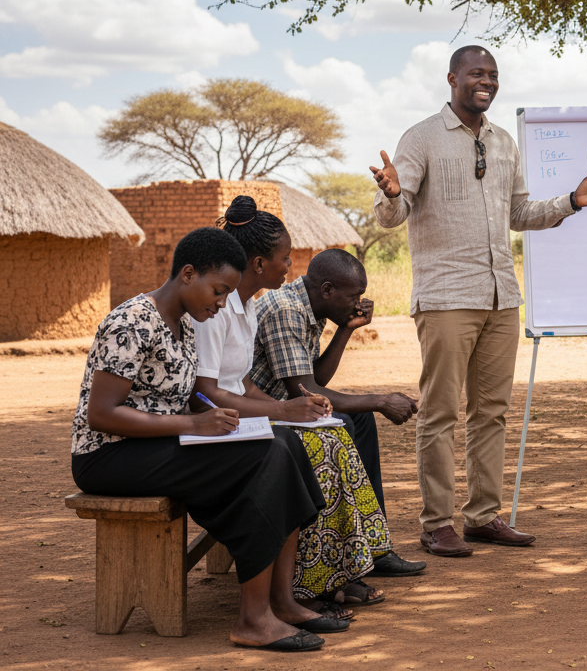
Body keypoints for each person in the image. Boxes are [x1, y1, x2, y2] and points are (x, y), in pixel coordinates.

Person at [371, 45, 587, 557]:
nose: (486, 81)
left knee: (491, 413)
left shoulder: (504, 142)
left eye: (492, 74)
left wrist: (572, 202)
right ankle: (436, 523)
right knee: (441, 413)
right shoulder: (421, 138)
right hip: (447, 297)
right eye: (475, 73)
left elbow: (520, 213)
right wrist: (393, 193)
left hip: (501, 296)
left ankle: (482, 517)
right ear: (452, 79)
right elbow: (390, 216)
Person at [70, 228, 332, 652]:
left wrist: (222, 416)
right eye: (219, 290)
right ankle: (253, 620)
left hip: (158, 445)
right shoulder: (131, 321)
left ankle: (281, 601)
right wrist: (193, 425)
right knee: (266, 458)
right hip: (108, 456)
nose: (222, 302)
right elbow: (101, 415)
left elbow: (190, 395)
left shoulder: (185, 324)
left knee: (284, 444)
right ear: (188, 274)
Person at [193, 197, 420, 614]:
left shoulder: (248, 306)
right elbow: (215, 391)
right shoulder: (267, 308)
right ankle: (318, 579)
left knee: (349, 427)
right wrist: (290, 411)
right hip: (238, 420)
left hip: (259, 411)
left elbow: (273, 383)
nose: (289, 266)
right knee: (333, 439)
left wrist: (344, 332)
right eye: (284, 258)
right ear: (258, 263)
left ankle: (362, 552)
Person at [249, 246, 421, 554]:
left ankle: (374, 545)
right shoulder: (286, 310)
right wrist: (381, 400)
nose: (359, 304)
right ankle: (341, 549)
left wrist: (345, 329)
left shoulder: (310, 308)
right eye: (354, 296)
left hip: (285, 408)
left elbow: (315, 380)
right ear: (327, 290)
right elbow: (304, 390)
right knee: (340, 425)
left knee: (360, 419)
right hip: (259, 416)